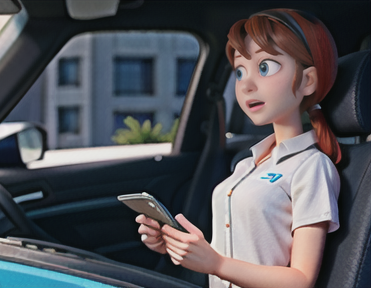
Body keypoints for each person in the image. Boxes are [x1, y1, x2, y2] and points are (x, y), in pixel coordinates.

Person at [136, 9, 341, 288]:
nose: (246, 85)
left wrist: (216, 264)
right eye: (240, 71)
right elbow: (237, 252)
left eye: (265, 67)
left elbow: (301, 280)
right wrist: (178, 247)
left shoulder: (312, 167)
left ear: (308, 81)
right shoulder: (247, 164)